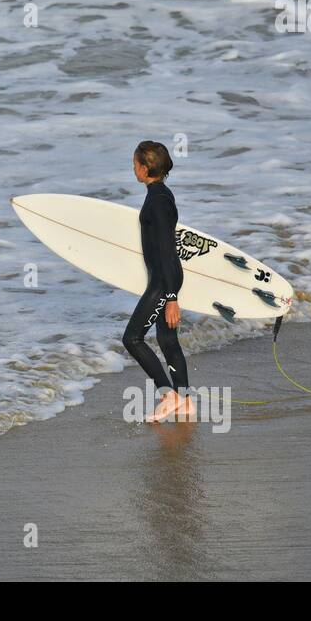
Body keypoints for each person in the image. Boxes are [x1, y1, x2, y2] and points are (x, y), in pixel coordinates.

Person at [123, 140, 194, 422]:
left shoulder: (157, 202)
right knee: (167, 340)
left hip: (163, 280)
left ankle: (169, 395)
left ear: (145, 167)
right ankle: (185, 401)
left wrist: (170, 296)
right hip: (167, 276)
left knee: (132, 338)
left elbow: (165, 247)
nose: (133, 169)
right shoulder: (161, 194)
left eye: (134, 164)